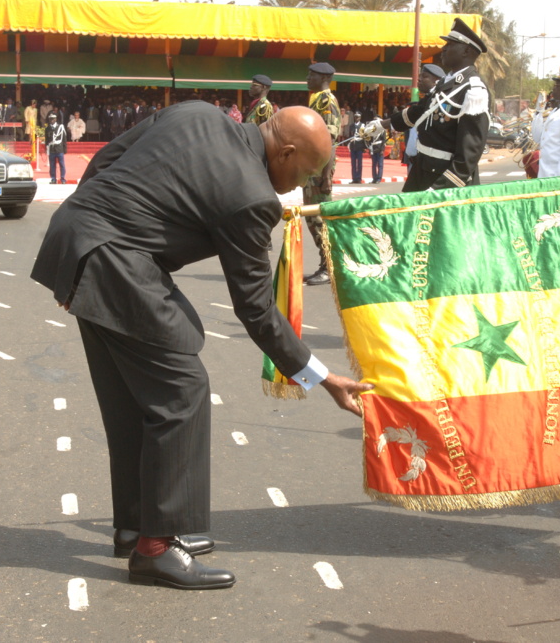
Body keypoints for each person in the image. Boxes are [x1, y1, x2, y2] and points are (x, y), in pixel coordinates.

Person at [31, 102, 372, 590]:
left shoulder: (198, 115)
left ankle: (135, 526)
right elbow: (256, 310)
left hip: (78, 237)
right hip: (116, 262)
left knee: (133, 400)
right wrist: (323, 376)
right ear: (286, 151)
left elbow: (107, 157)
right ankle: (156, 548)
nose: (301, 185)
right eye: (306, 172)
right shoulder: (254, 198)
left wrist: (93, 228)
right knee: (182, 393)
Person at [383, 19, 489, 192]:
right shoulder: (447, 83)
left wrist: (439, 189)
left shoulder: (473, 90)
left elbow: (468, 156)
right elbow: (420, 111)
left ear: (466, 51)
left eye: (450, 44)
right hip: (422, 171)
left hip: (444, 182)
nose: (443, 48)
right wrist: (382, 125)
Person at [302, 62, 340, 286]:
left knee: (319, 219)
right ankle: (325, 264)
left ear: (324, 77)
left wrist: (326, 176)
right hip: (313, 169)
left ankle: (328, 267)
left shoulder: (327, 102)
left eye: (311, 74)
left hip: (320, 171)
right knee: (312, 217)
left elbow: (330, 140)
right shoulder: (316, 99)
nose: (307, 78)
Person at [46, 113, 67, 185]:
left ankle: (63, 179)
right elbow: (47, 140)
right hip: (52, 149)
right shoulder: (47, 129)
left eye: (53, 119)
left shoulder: (60, 127)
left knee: (62, 164)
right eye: (50, 119)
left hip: (59, 148)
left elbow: (64, 139)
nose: (52, 120)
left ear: (56, 119)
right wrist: (47, 149)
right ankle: (53, 179)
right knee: (52, 165)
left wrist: (65, 149)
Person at [349, 111, 366, 184]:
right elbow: (350, 136)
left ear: (360, 118)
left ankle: (359, 178)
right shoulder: (351, 126)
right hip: (353, 146)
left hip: (359, 146)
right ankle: (354, 178)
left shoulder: (362, 125)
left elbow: (364, 137)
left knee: (359, 164)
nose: (356, 118)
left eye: (358, 117)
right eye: (355, 117)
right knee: (353, 164)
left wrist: (364, 147)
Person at [367, 116, 385, 184]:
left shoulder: (382, 130)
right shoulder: (372, 130)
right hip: (373, 148)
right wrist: (369, 149)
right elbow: (370, 140)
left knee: (380, 165)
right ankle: (374, 178)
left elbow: (383, 140)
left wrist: (382, 150)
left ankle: (379, 178)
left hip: (379, 148)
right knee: (374, 164)